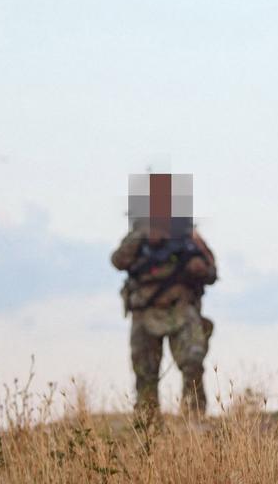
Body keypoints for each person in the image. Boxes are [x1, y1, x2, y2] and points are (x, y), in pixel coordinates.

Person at [112, 172, 217, 419]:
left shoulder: (189, 236)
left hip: (181, 310)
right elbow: (118, 260)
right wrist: (144, 237)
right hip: (145, 311)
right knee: (145, 375)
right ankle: (147, 429)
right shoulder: (139, 235)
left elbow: (211, 272)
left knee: (192, 363)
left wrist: (198, 268)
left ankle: (194, 421)